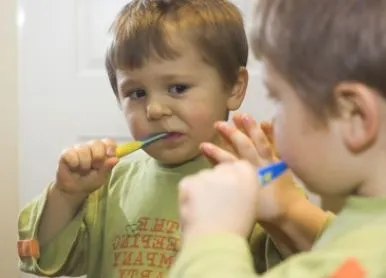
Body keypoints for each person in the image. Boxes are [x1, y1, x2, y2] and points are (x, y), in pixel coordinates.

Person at [17, 1, 331, 277]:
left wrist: (282, 215)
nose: (154, 109)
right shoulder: (108, 184)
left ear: (234, 87)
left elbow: (326, 263)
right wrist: (67, 194)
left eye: (178, 87)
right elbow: (39, 256)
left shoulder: (259, 182)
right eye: (136, 93)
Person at [169, 0, 386, 277]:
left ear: (354, 115)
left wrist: (211, 237)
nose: (276, 122)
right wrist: (289, 210)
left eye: (280, 99)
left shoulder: (375, 257)